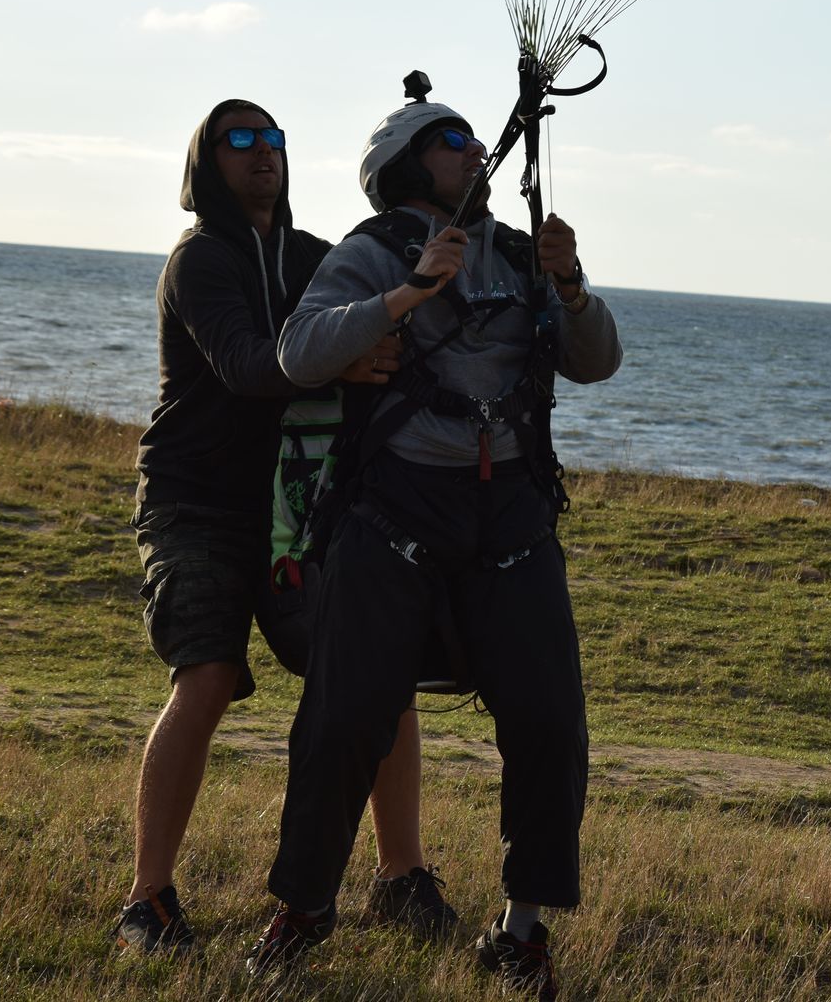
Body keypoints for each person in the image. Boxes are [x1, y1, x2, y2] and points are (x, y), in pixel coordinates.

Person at [247, 94, 621, 1000]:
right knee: (344, 717)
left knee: (551, 720)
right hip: (396, 512)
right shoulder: (370, 250)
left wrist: (571, 288)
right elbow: (299, 351)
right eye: (453, 140)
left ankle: (521, 933)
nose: (475, 151)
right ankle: (304, 909)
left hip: (512, 515)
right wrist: (408, 291)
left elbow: (596, 360)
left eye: (475, 139)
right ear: (408, 162)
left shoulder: (519, 254)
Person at [116, 99, 452, 955]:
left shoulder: (313, 257)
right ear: (207, 161)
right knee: (207, 675)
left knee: (378, 672)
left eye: (273, 139)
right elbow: (244, 365)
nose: (262, 151)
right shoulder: (199, 259)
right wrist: (346, 358)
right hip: (196, 500)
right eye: (240, 139)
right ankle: (147, 901)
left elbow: (380, 334)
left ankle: (401, 877)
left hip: (299, 503)